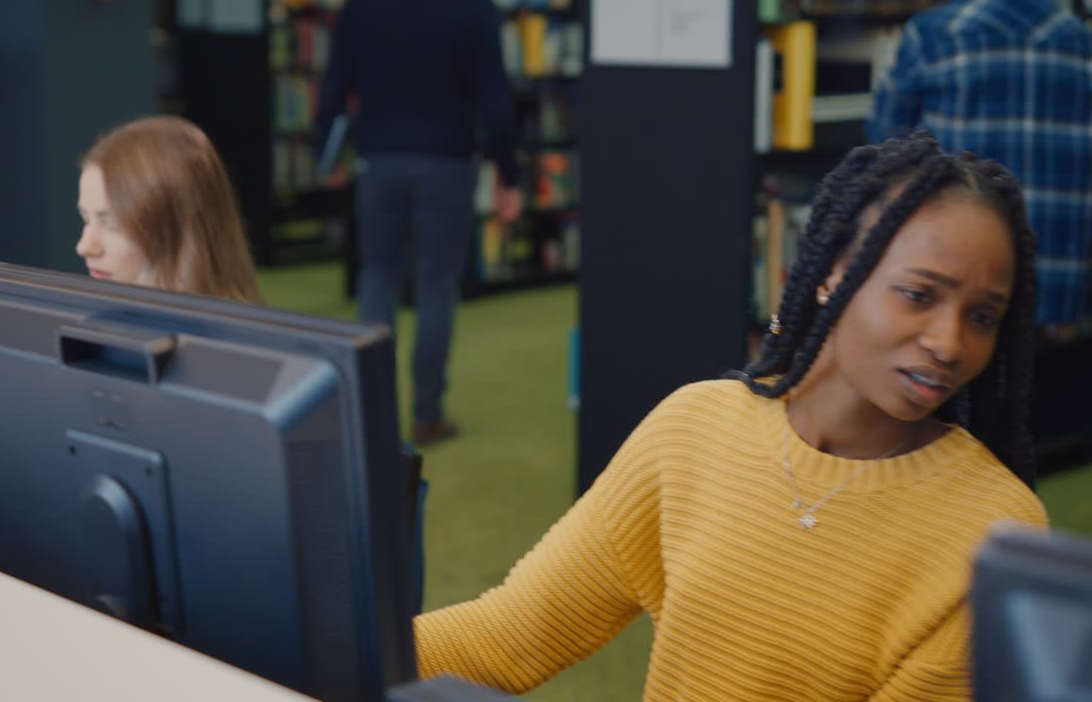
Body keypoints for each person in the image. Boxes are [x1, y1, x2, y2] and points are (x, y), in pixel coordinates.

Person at [414, 134, 1047, 700]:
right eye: (919, 294)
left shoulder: (993, 530)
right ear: (832, 272)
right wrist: (333, 655)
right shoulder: (696, 427)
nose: (949, 341)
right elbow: (510, 635)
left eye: (983, 316)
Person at [0, 115, 263, 561]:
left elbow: (203, 554)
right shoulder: (102, 327)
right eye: (85, 220)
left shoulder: (233, 368)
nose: (85, 245)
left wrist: (32, 555)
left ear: (175, 228)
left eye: (109, 224)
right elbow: (52, 464)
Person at [316, 0, 523, 446]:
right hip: (447, 161)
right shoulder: (472, 3)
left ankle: (367, 410)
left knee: (378, 277)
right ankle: (427, 414)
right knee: (436, 285)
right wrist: (508, 175)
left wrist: (325, 154)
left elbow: (335, 81)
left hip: (378, 160)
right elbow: (495, 98)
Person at [868, 0, 1092, 327]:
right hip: (1059, 295)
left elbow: (883, 155)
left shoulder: (932, 34)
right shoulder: (1082, 42)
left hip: (953, 288)